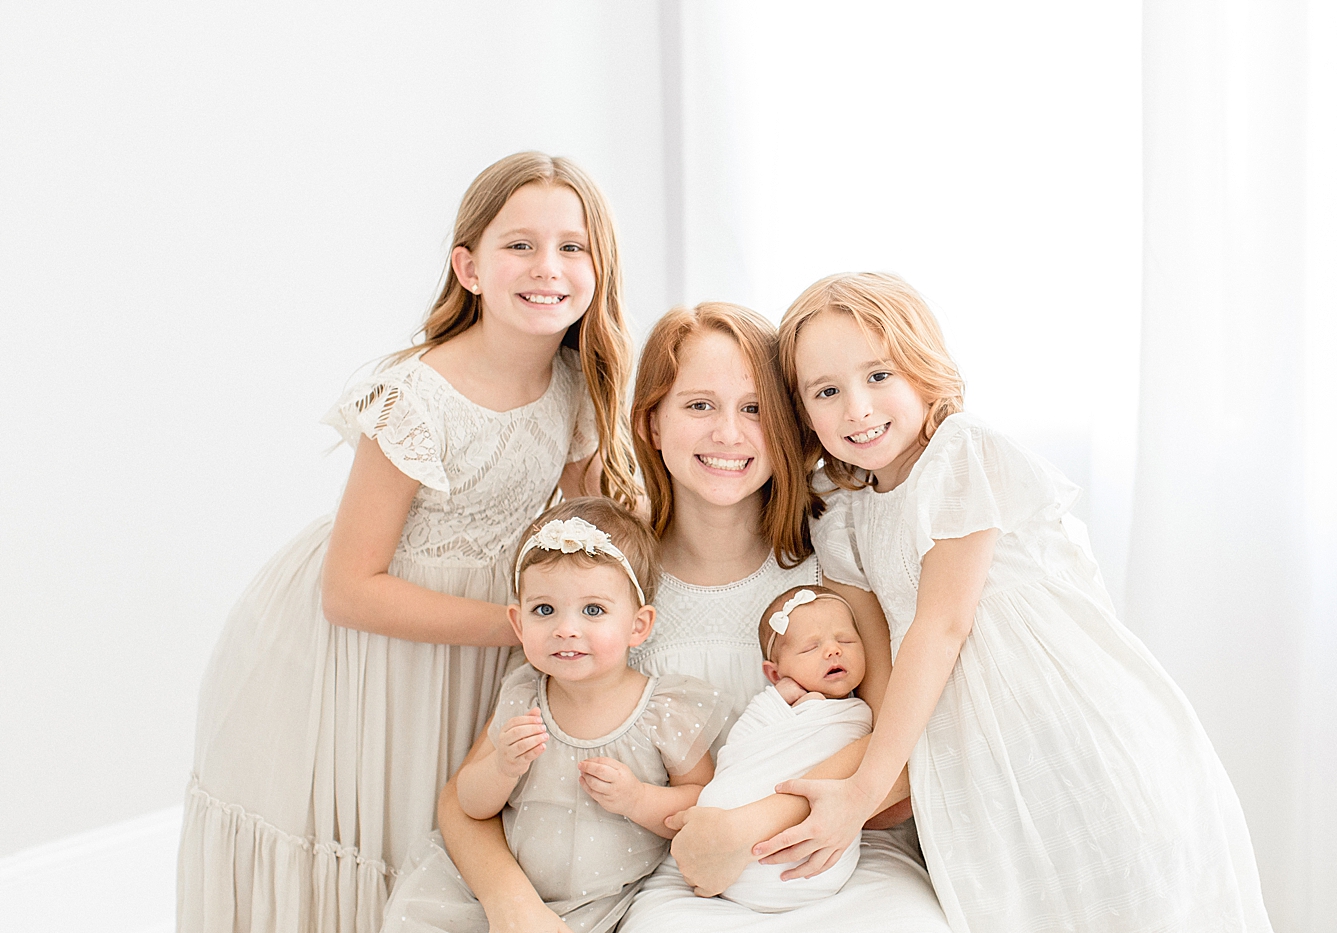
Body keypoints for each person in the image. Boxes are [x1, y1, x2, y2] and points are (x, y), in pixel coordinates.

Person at [177, 151, 640, 933]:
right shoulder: (415, 398)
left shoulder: (574, 385)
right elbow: (348, 588)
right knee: (372, 838)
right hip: (364, 649)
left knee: (451, 831)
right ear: (469, 266)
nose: (547, 267)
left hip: (488, 644)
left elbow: (590, 535)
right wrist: (516, 624)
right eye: (519, 245)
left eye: (572, 246)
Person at [383, 301, 948, 933]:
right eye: (699, 405)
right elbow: (466, 796)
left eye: (755, 409)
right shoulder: (607, 582)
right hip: (676, 877)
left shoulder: (830, 561)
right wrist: (512, 902)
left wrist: (747, 825)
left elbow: (899, 759)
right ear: (652, 423)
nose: (729, 435)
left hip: (837, 855)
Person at [771, 271, 1274, 932]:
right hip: (978, 761)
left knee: (1133, 894)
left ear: (923, 370)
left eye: (879, 375)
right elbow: (878, 662)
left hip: (1065, 725)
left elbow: (942, 625)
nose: (857, 408)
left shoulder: (960, 456)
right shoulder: (844, 512)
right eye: (827, 391)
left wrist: (865, 788)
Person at [388, 497, 728, 933]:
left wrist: (639, 800)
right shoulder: (523, 694)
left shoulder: (664, 710)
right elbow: (469, 803)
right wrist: (502, 767)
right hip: (508, 898)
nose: (566, 629)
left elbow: (702, 801)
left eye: (593, 610)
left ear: (638, 626)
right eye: (544, 610)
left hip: (609, 902)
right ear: (518, 622)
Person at [697, 585, 874, 913]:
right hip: (732, 842)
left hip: (821, 873)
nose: (833, 651)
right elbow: (741, 751)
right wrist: (780, 699)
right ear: (775, 673)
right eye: (811, 648)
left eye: (846, 640)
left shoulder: (863, 713)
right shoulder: (770, 711)